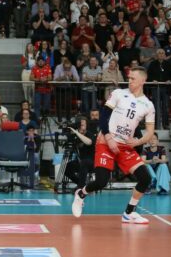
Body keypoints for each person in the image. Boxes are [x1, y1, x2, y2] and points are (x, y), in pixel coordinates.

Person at [72, 67, 156, 224]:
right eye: (129, 78)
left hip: (125, 146)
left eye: (133, 79)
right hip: (106, 141)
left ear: (143, 81)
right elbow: (104, 117)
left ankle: (129, 213)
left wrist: (138, 142)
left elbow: (150, 132)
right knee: (101, 182)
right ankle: (81, 194)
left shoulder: (148, 105)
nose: (129, 81)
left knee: (145, 178)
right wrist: (108, 137)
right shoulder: (119, 93)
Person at [64, 117, 96, 190]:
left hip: (92, 162)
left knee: (84, 162)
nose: (82, 126)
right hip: (81, 161)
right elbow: (69, 141)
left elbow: (89, 142)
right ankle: (82, 184)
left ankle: (80, 187)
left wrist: (77, 133)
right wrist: (71, 133)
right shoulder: (75, 135)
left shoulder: (90, 134)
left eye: (83, 125)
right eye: (80, 125)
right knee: (67, 168)